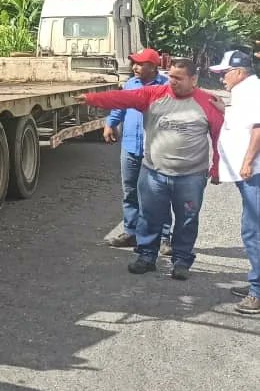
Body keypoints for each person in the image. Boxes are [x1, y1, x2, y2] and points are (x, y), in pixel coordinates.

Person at [78, 59, 223, 280]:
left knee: (187, 219)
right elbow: (122, 98)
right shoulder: (153, 94)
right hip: (154, 173)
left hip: (191, 176)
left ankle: (181, 261)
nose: (172, 82)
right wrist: (91, 98)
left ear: (194, 79)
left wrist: (217, 168)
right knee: (149, 216)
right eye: (171, 76)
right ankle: (146, 256)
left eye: (178, 78)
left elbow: (219, 137)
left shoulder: (208, 102)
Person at [103, 48, 171, 252]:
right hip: (130, 147)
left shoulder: (166, 87)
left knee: (159, 193)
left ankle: (165, 237)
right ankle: (131, 232)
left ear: (153, 67)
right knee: (130, 191)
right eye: (134, 63)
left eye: (140, 64)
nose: (135, 67)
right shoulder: (130, 84)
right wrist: (110, 124)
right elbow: (119, 107)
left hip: (156, 149)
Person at [209, 50, 260, 316]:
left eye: (224, 73)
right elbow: (243, 120)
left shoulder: (252, 90)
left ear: (239, 71)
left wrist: (249, 161)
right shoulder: (244, 90)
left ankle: (258, 292)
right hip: (248, 172)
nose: (221, 78)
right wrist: (223, 108)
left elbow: (258, 128)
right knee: (251, 229)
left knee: (255, 231)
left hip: (254, 173)